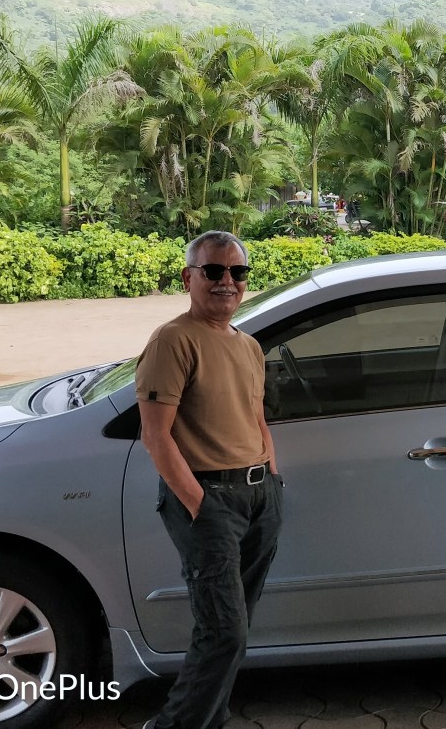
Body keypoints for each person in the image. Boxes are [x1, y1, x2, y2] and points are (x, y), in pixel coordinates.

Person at [136, 230, 283, 729]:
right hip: (208, 498)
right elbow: (156, 436)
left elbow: (256, 417)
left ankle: (208, 720)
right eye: (214, 271)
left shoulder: (249, 346)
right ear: (189, 277)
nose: (227, 281)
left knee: (233, 628)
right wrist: (200, 504)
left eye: (237, 272)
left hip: (259, 497)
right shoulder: (173, 340)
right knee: (223, 631)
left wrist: (273, 479)